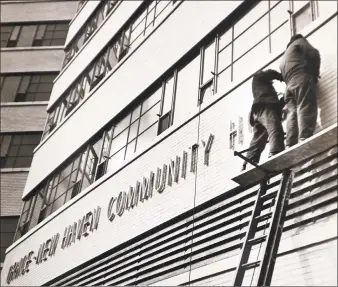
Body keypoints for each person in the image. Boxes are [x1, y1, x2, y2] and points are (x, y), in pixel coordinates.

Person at [279, 34, 321, 148]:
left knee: (292, 113)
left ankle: (290, 143)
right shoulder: (299, 42)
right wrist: (315, 73)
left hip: (288, 87)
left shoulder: (284, 57)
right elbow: (314, 53)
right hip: (300, 78)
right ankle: (305, 136)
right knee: (305, 104)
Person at [242, 69, 285, 171]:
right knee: (275, 128)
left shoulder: (263, 89)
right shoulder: (258, 76)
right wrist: (282, 76)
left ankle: (249, 162)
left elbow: (276, 106)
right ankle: (275, 152)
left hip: (257, 113)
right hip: (264, 107)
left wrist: (283, 100)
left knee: (259, 139)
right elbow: (270, 73)